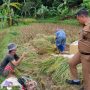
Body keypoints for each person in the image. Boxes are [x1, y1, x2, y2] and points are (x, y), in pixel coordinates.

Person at [66, 9, 90, 90]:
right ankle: (75, 80)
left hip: (87, 55)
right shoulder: (85, 25)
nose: (78, 21)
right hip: (81, 53)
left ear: (82, 17)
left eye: (78, 19)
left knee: (86, 75)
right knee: (71, 63)